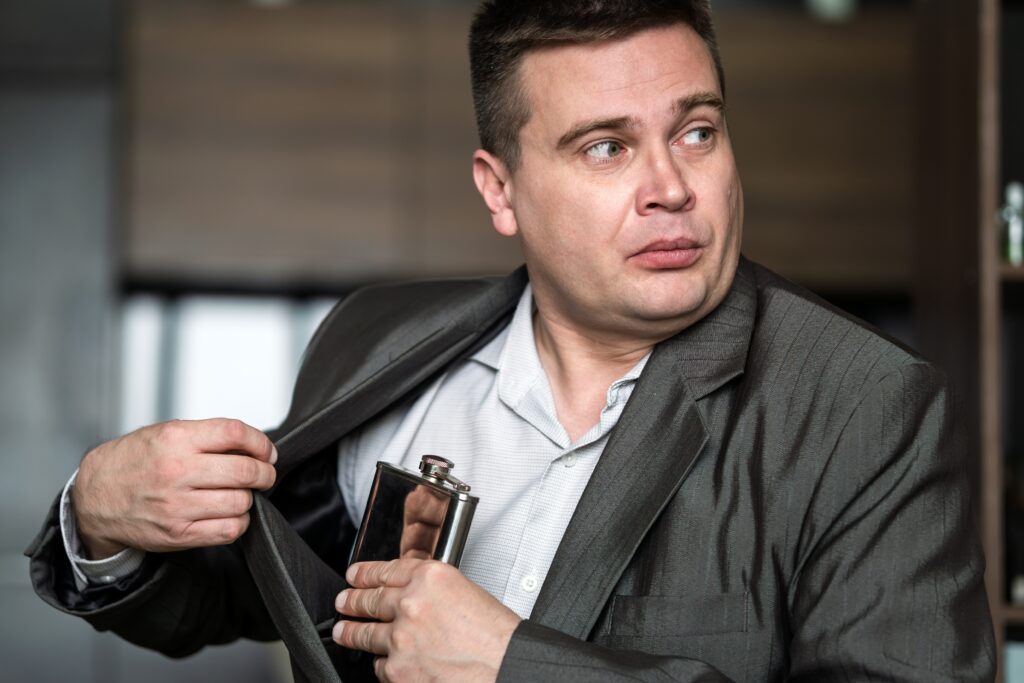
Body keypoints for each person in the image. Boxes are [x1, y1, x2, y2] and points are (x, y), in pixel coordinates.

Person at [27, 1, 995, 681]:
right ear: (499, 189)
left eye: (696, 131)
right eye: (606, 146)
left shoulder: (865, 406)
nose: (670, 185)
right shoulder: (375, 341)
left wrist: (516, 666)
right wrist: (100, 516)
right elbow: (252, 595)